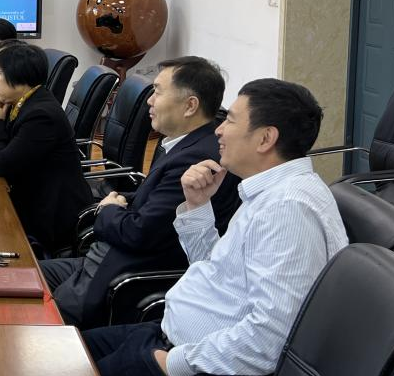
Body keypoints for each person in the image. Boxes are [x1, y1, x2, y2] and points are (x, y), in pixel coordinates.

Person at [81, 78, 348, 376]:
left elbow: (270, 337)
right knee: (67, 354)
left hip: (193, 372)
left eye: (231, 120)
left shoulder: (288, 209)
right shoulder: (270, 191)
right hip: (166, 336)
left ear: (265, 138)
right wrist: (198, 206)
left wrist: (173, 363)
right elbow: (218, 269)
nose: (219, 130)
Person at [38, 57, 242, 329]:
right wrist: (120, 203)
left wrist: (107, 210)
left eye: (158, 92)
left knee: (32, 311)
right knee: (27, 274)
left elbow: (139, 233)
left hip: (119, 274)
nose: (149, 100)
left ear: (190, 106)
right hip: (104, 260)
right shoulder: (187, 144)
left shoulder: (194, 160)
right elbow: (154, 201)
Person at [0, 43, 89, 256]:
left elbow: (2, 164)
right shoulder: (24, 102)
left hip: (51, 215)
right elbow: (6, 149)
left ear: (18, 74)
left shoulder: (41, 115)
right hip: (32, 198)